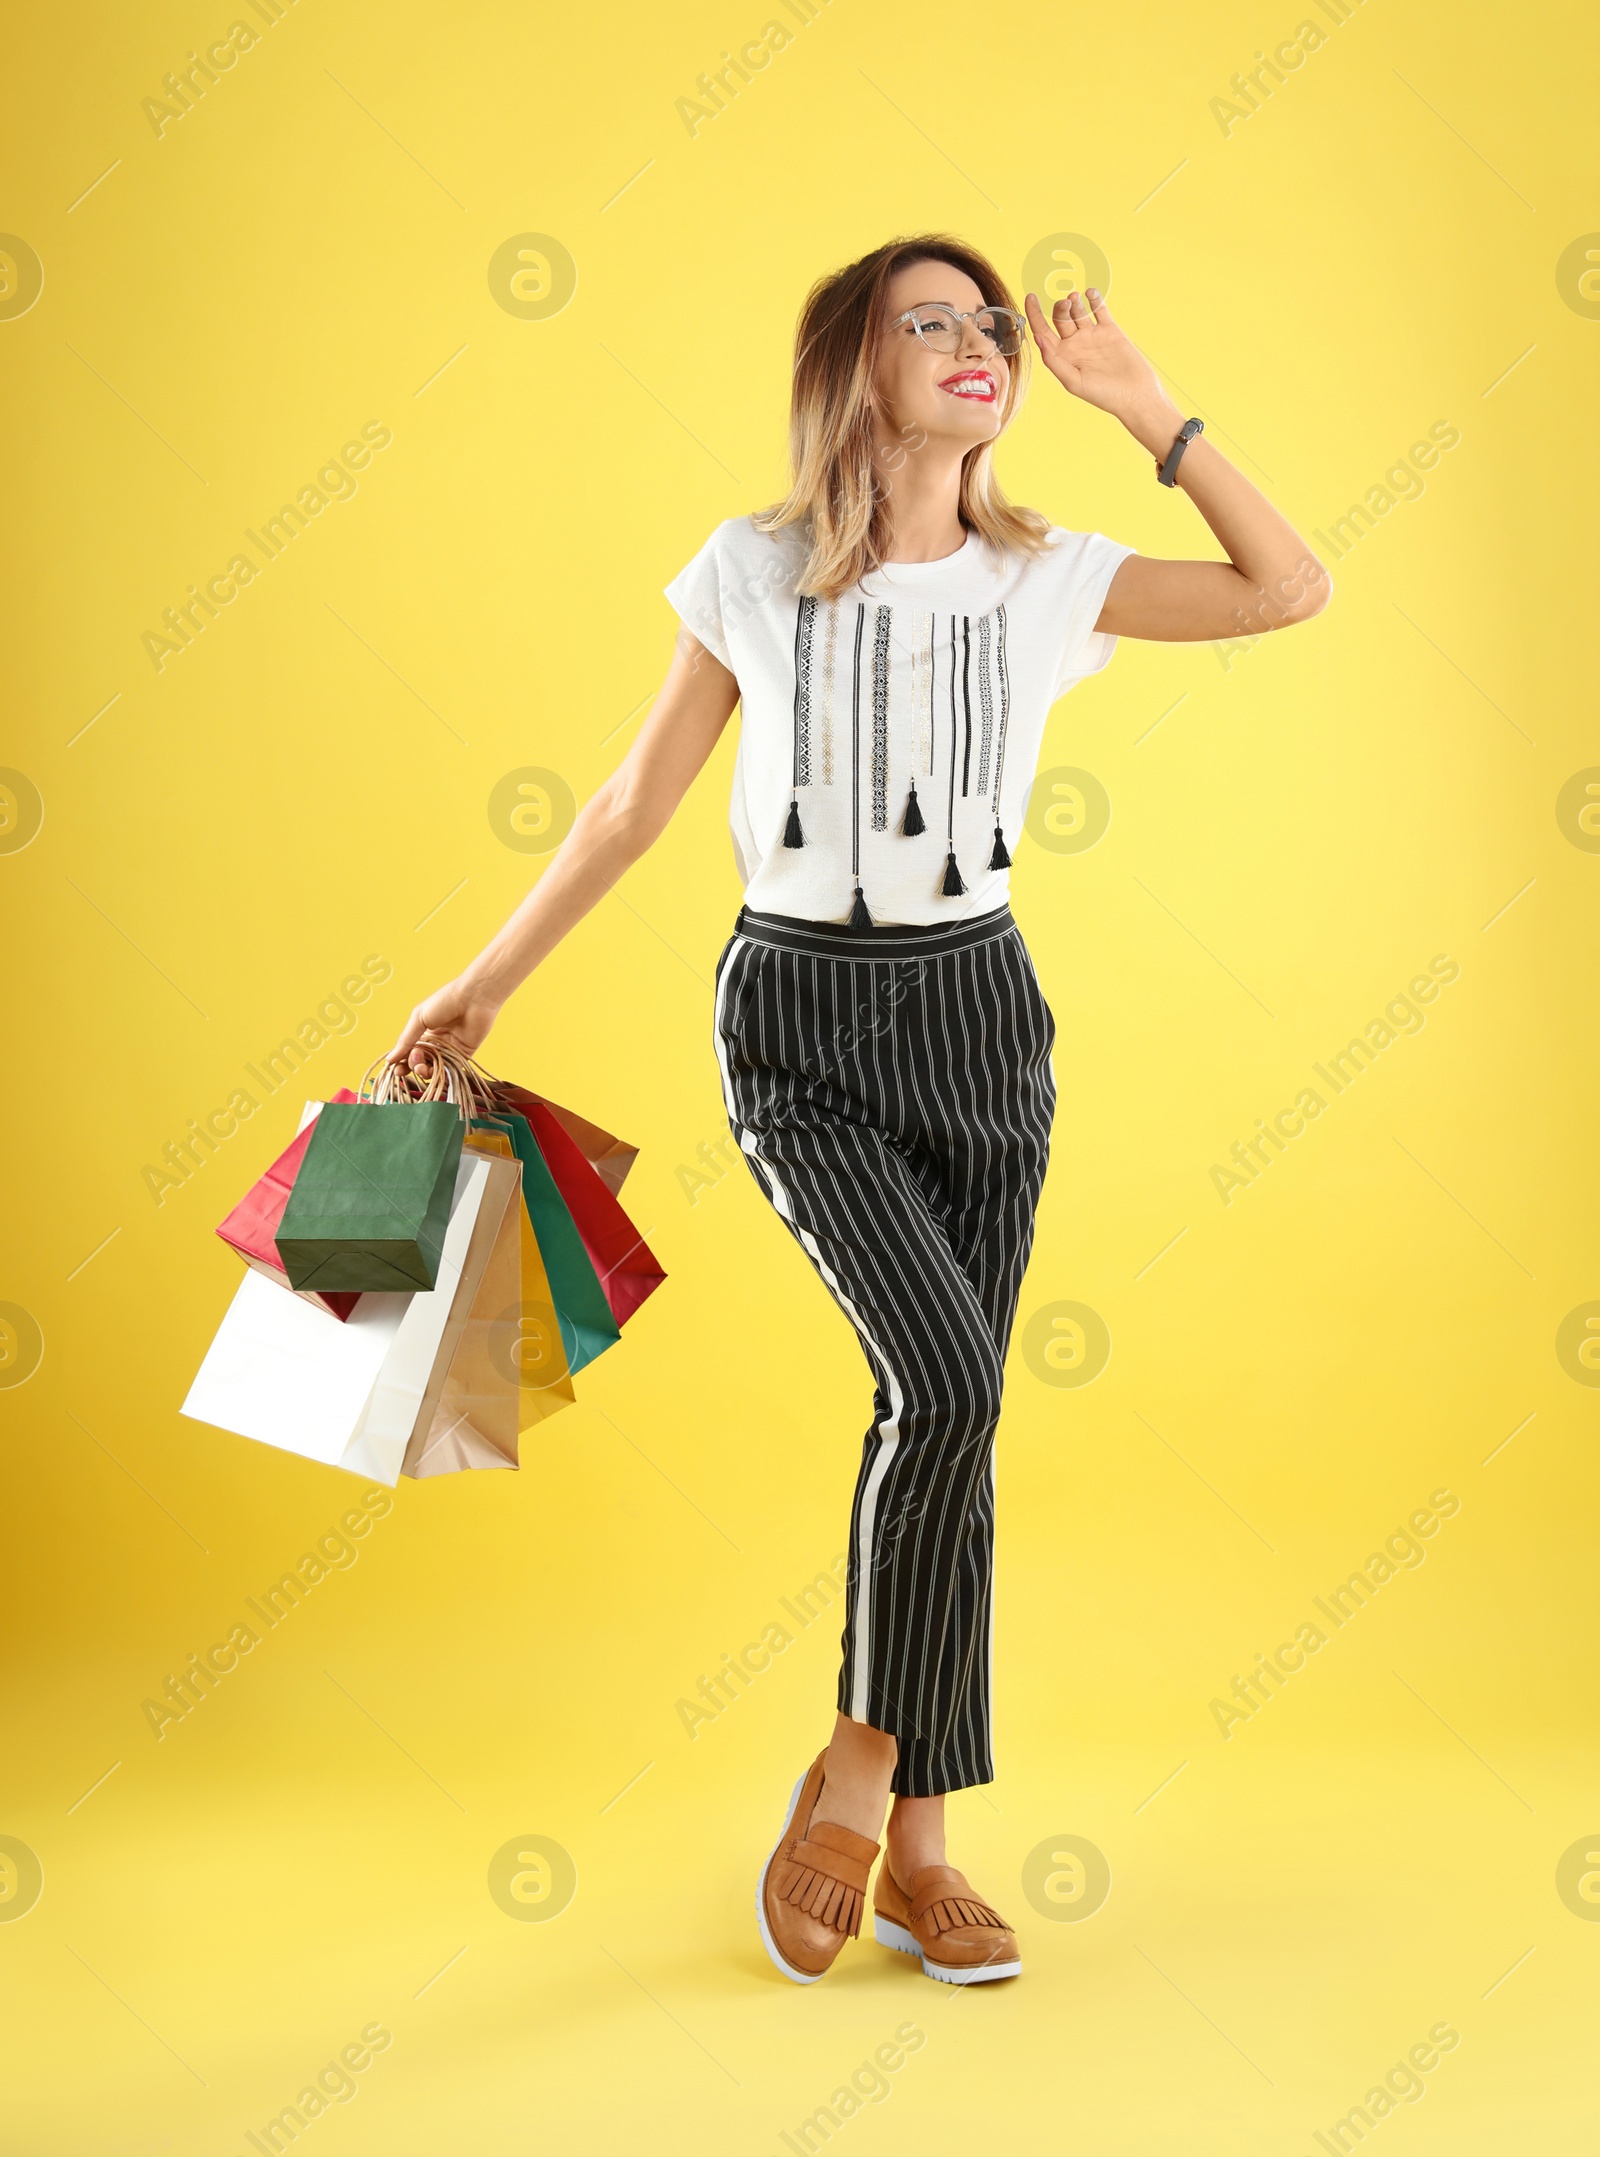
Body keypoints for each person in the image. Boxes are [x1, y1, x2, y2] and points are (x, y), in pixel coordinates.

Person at [387, 232, 1331, 1988]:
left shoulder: (1045, 577)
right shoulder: (751, 572)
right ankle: (863, 1768)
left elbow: (1289, 590)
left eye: (994, 328)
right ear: (858, 369)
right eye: (935, 322)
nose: (981, 344)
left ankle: (915, 1844)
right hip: (803, 1022)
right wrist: (484, 981)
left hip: (983, 1015)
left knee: (953, 1422)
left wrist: (1149, 409)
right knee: (948, 1381)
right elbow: (626, 804)